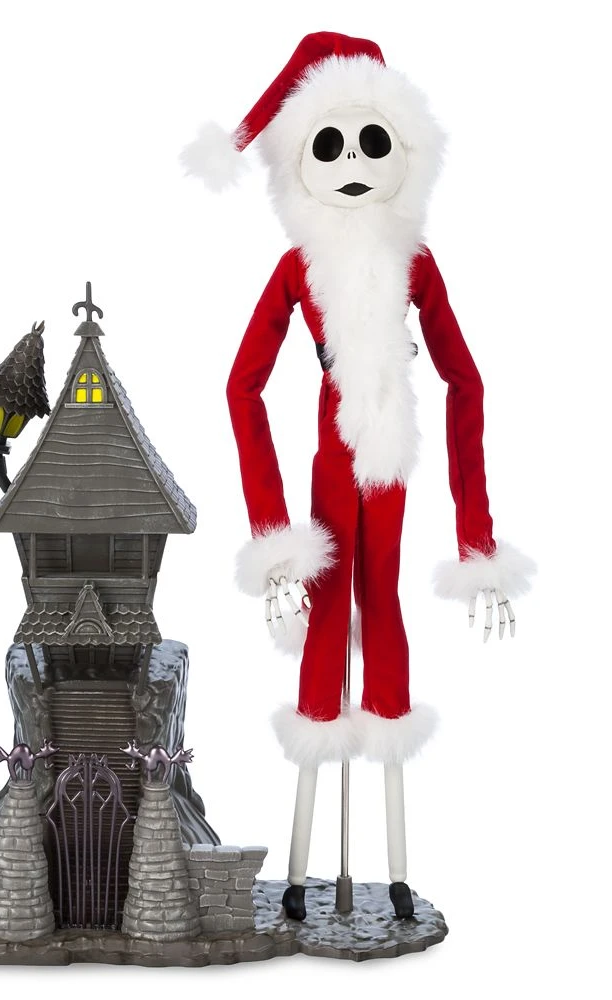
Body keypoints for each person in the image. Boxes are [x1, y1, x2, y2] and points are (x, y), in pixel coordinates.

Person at [183, 33, 534, 918]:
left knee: (382, 606)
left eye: (370, 142)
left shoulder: (415, 263)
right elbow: (241, 386)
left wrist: (477, 540)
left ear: (403, 150)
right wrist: (275, 538)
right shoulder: (299, 267)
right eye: (329, 144)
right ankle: (304, 873)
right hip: (330, 471)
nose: (349, 163)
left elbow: (465, 383)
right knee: (328, 610)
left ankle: (397, 874)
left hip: (390, 470)